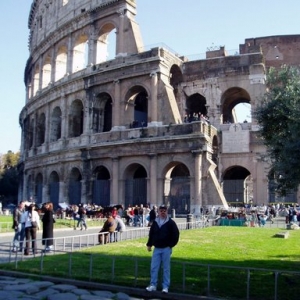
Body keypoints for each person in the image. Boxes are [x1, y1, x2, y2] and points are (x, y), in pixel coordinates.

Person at [146, 204, 180, 294]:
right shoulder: (155, 222)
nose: (163, 212)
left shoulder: (171, 223)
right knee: (154, 267)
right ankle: (153, 285)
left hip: (166, 248)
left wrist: (170, 245)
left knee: (166, 268)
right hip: (157, 248)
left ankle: (165, 286)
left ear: (166, 212)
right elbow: (151, 234)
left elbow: (176, 234)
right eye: (161, 211)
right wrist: (149, 244)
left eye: (164, 211)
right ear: (158, 212)